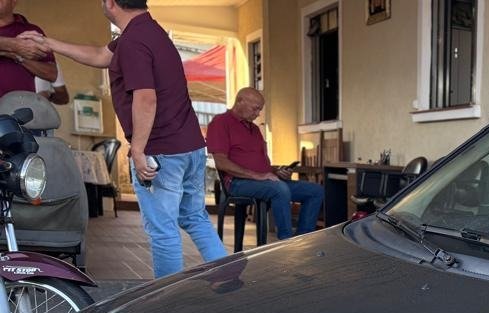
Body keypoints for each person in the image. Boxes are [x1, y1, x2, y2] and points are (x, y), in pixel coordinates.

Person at [20, 0, 226, 279]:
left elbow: (146, 97)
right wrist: (49, 43)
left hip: (161, 151)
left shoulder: (133, 42)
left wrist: (138, 149)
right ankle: (231, 281)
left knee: (163, 231)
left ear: (111, 3)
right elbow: (98, 56)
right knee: (195, 217)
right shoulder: (150, 32)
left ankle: (166, 302)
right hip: (189, 147)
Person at [207, 88, 324, 240]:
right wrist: (258, 175)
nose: (258, 114)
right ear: (240, 101)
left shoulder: (254, 129)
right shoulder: (220, 122)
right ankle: (286, 242)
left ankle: (301, 240)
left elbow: (261, 164)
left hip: (263, 182)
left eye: (260, 110)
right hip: (237, 183)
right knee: (279, 189)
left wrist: (276, 171)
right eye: (255, 109)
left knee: (315, 191)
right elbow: (221, 162)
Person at [0, 0, 56, 97]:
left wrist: (18, 57)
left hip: (18, 107)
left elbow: (51, 74)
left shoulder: (30, 31)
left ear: (13, 1)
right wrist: (12, 46)